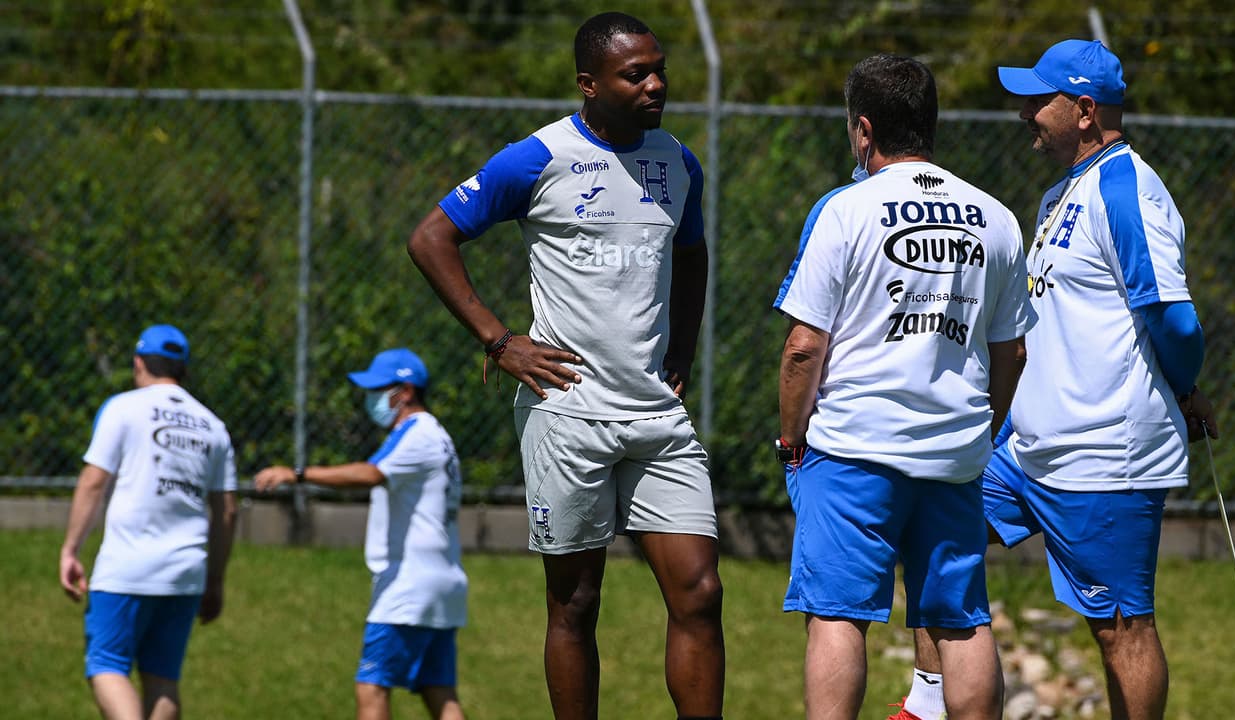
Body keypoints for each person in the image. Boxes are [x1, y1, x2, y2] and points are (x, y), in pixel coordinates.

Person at [405, 11, 723, 720]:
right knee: (576, 602)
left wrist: (683, 348)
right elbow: (431, 238)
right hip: (568, 409)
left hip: (655, 413)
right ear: (589, 84)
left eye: (659, 70)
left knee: (701, 593)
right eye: (635, 74)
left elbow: (692, 252)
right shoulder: (537, 157)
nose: (655, 85)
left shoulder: (679, 161)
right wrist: (499, 341)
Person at [890, 39, 1218, 720]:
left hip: (1103, 456)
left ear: (1086, 110)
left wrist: (1186, 390)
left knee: (1120, 630)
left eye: (1039, 101)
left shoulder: (1127, 191)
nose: (1024, 113)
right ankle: (927, 705)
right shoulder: (1059, 194)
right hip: (1025, 449)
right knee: (929, 537)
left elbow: (1174, 320)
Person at [774, 53, 1037, 720]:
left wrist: (791, 435)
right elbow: (1012, 350)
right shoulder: (996, 218)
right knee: (960, 619)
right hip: (954, 455)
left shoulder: (845, 210)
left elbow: (804, 347)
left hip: (853, 448)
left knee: (838, 614)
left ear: (864, 130)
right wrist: (981, 429)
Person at [255, 348, 468, 720]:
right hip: (442, 580)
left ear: (404, 392)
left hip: (409, 584)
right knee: (438, 690)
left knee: (372, 686)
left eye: (378, 390)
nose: (371, 399)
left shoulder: (416, 433)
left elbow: (371, 474)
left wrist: (298, 474)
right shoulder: (438, 435)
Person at [59, 324, 238, 720]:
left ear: (138, 363)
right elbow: (227, 510)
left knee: (107, 664)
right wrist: (215, 580)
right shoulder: (213, 426)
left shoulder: (123, 408)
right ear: (183, 369)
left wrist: (71, 549)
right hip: (185, 573)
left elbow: (93, 482)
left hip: (127, 568)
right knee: (162, 677)